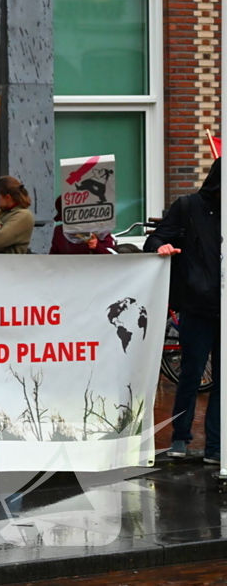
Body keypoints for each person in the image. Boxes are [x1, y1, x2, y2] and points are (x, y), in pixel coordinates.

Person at [145, 158, 221, 463]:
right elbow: (156, 238)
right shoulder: (189, 207)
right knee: (191, 374)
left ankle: (216, 446)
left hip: (222, 307)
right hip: (197, 306)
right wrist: (160, 247)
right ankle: (180, 437)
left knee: (222, 381)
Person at [50, 196, 115, 255]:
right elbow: (53, 256)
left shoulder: (99, 229)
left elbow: (112, 258)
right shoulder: (59, 231)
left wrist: (97, 246)